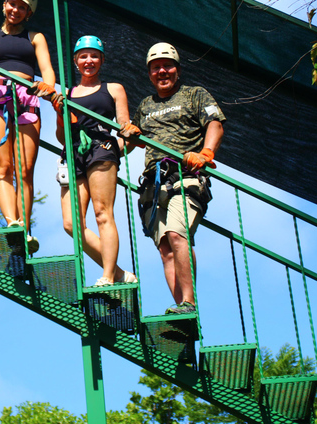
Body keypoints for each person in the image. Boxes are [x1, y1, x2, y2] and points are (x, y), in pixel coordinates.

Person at [130, 42, 225, 314]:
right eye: (156, 67)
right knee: (165, 249)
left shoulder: (194, 95)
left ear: (178, 70)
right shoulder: (146, 105)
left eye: (167, 66)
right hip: (153, 184)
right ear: (149, 74)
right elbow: (133, 140)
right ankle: (181, 309)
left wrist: (206, 152)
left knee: (177, 233)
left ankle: (189, 303)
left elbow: (215, 123)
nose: (162, 71)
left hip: (185, 177)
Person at [0, 0, 58, 253]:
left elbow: (48, 73)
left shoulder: (35, 38)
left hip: (27, 97)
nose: (16, 10)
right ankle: (13, 222)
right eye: (12, 3)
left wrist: (47, 86)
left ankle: (24, 228)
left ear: (28, 13)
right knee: (3, 167)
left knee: (25, 169)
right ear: (4, 4)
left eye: (23, 7)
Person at [56, 36, 139, 286]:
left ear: (101, 60)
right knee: (71, 224)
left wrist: (116, 150)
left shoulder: (113, 88)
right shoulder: (67, 93)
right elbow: (62, 136)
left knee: (102, 213)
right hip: (73, 153)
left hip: (101, 148)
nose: (88, 61)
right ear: (75, 61)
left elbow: (124, 127)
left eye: (93, 56)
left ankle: (107, 277)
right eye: (83, 56)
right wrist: (60, 114)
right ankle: (118, 272)